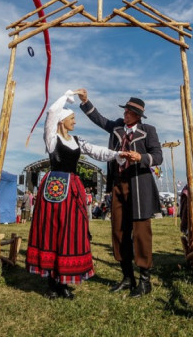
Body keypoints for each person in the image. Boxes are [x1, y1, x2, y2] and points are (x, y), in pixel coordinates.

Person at [26, 90, 127, 300]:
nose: (74, 122)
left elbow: (97, 151)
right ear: (62, 121)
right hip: (53, 189)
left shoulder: (78, 141)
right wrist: (67, 95)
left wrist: (117, 154)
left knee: (70, 230)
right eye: (72, 119)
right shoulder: (51, 139)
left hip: (72, 189)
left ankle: (64, 279)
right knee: (52, 230)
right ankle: (52, 283)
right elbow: (51, 113)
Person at [78, 88, 163, 297]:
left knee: (142, 233)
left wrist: (140, 157)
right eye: (125, 110)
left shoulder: (148, 130)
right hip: (118, 184)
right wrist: (86, 101)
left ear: (137, 115)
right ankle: (127, 277)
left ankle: (144, 280)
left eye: (128, 111)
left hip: (139, 185)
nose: (125, 113)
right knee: (118, 231)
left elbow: (158, 156)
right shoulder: (117, 127)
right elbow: (99, 119)